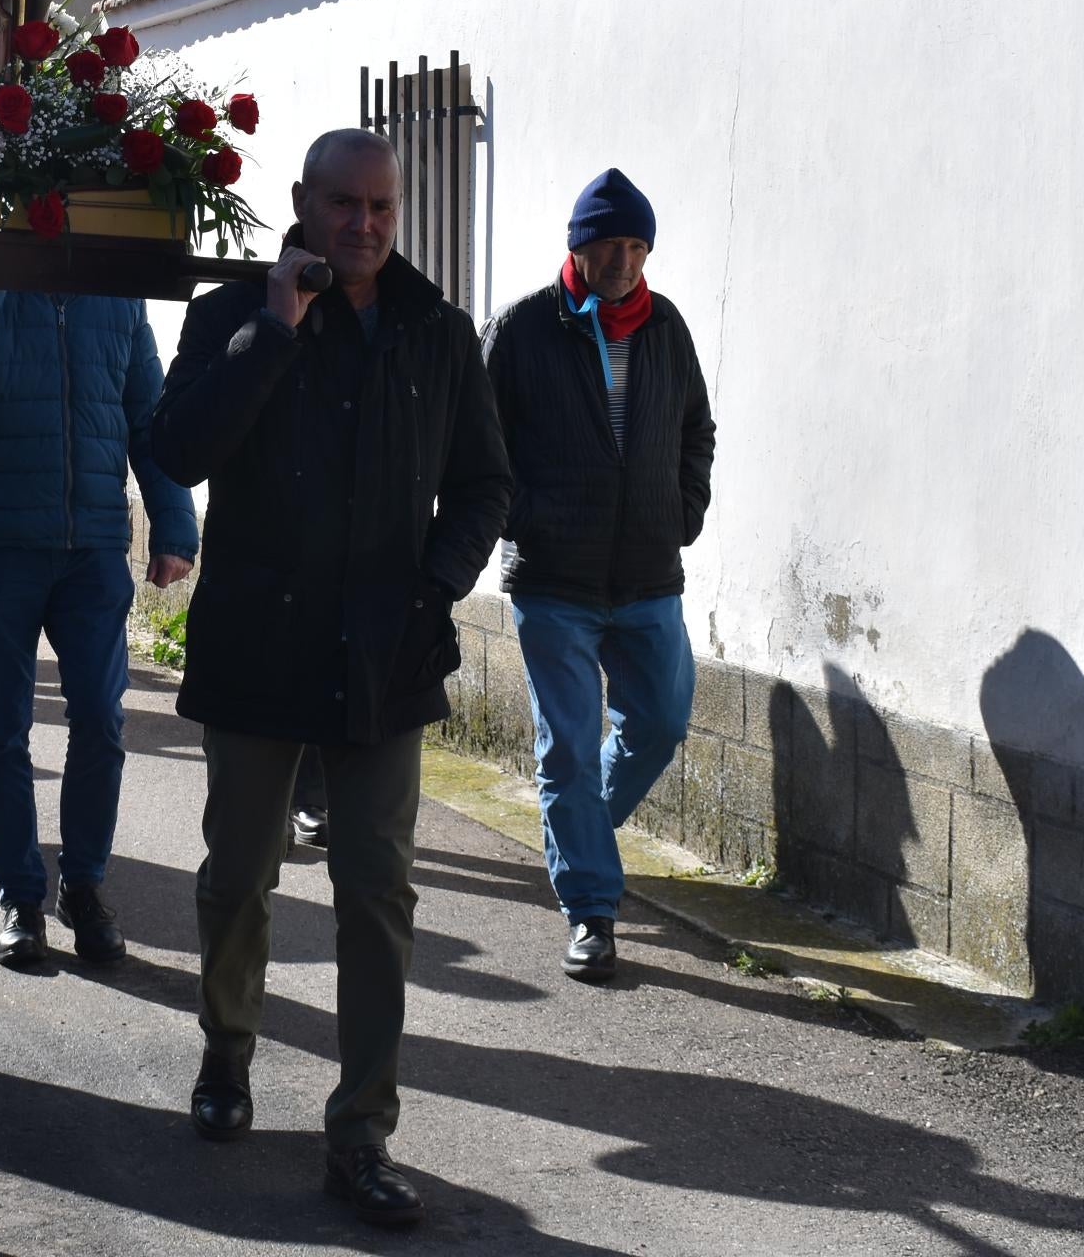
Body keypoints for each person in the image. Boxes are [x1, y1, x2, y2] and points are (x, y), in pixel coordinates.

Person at [148, 128, 510, 1230]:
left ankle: (360, 1133)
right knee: (237, 878)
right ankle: (227, 1047)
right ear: (302, 201)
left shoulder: (438, 334)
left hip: (382, 655)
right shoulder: (232, 316)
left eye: (381, 208)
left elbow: (487, 484)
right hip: (259, 642)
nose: (363, 224)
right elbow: (179, 446)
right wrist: (274, 329)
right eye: (343, 203)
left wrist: (432, 586)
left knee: (379, 897)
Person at [481, 169, 716, 984]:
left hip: (651, 571)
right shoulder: (519, 330)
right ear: (577, 245)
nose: (623, 259)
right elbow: (480, 444)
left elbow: (696, 427)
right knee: (571, 752)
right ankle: (591, 911)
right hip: (555, 580)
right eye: (609, 243)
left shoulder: (667, 327)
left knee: (662, 721)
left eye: (637, 244)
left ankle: (581, 841)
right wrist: (526, 516)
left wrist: (683, 510)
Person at [0, 285, 198, 967]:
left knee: (103, 725)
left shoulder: (117, 296)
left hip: (95, 543)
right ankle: (20, 897)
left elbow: (148, 414)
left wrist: (174, 522)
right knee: (2, 733)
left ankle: (84, 886)